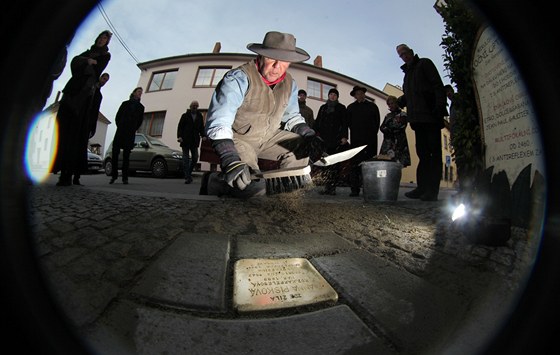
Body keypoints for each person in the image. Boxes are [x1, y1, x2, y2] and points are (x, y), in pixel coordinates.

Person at [202, 31, 325, 198]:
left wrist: (310, 136)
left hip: (269, 137)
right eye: (271, 59)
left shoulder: (290, 84)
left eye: (284, 62)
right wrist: (229, 156)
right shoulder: (238, 78)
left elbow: (292, 117)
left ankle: (285, 198)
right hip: (240, 138)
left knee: (302, 147)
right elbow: (219, 122)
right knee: (250, 184)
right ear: (260, 56)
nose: (277, 67)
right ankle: (215, 183)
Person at [53, 30, 112, 186]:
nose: (101, 40)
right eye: (100, 37)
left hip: (83, 97)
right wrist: (86, 61)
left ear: (107, 42)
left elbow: (95, 69)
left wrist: (84, 63)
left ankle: (69, 173)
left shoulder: (105, 56)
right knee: (62, 130)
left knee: (74, 134)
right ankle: (59, 166)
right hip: (72, 91)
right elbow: (74, 64)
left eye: (105, 39)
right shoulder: (86, 53)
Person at [396, 44, 448, 201]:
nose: (404, 56)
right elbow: (411, 94)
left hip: (430, 116)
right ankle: (422, 188)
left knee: (433, 154)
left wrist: (439, 106)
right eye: (401, 55)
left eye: (405, 53)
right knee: (423, 154)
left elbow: (437, 85)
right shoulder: (407, 75)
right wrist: (402, 100)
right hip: (417, 120)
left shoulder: (424, 63)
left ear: (411, 52)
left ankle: (432, 191)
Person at [345, 85, 381, 197]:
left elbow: (377, 123)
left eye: (361, 93)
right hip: (356, 141)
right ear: (354, 96)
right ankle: (354, 189)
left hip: (370, 141)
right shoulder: (350, 108)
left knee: (369, 166)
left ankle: (369, 190)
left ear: (364, 94)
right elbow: (348, 124)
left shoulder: (372, 106)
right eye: (357, 93)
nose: (359, 95)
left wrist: (370, 135)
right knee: (354, 165)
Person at [313, 88, 348, 195]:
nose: (332, 96)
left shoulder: (341, 108)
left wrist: (344, 137)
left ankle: (332, 188)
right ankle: (326, 187)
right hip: (323, 141)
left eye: (334, 95)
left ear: (337, 97)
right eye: (331, 94)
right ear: (328, 96)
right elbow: (318, 121)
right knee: (325, 163)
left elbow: (345, 123)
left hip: (336, 140)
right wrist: (314, 134)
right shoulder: (323, 108)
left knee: (334, 164)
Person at [109, 87, 145, 185]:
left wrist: (133, 128)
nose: (140, 94)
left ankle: (125, 177)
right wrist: (120, 125)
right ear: (134, 93)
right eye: (138, 92)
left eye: (141, 93)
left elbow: (140, 121)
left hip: (130, 133)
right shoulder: (125, 104)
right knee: (115, 153)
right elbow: (118, 116)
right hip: (120, 131)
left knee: (126, 156)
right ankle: (114, 175)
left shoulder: (141, 107)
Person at [177, 100, 206, 184]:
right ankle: (187, 177)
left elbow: (201, 127)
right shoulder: (185, 115)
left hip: (194, 140)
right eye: (193, 105)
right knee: (185, 159)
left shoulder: (199, 116)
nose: (195, 107)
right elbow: (180, 127)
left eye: (196, 106)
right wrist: (179, 136)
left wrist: (203, 135)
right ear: (190, 106)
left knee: (195, 158)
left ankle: (188, 174)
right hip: (185, 140)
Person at [379, 95, 411, 167]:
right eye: (389, 104)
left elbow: (401, 126)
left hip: (399, 142)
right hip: (387, 143)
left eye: (392, 103)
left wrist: (388, 128)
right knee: (386, 163)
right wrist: (389, 129)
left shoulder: (403, 114)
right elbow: (381, 127)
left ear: (396, 103)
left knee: (398, 164)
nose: (391, 105)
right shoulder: (388, 115)